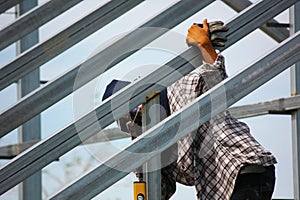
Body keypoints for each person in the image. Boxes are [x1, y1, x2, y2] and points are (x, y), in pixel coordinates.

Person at [162, 19, 277, 199]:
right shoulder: (150, 144)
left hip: (240, 171)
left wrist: (204, 45)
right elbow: (161, 189)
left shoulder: (178, 92)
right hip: (231, 185)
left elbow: (216, 82)